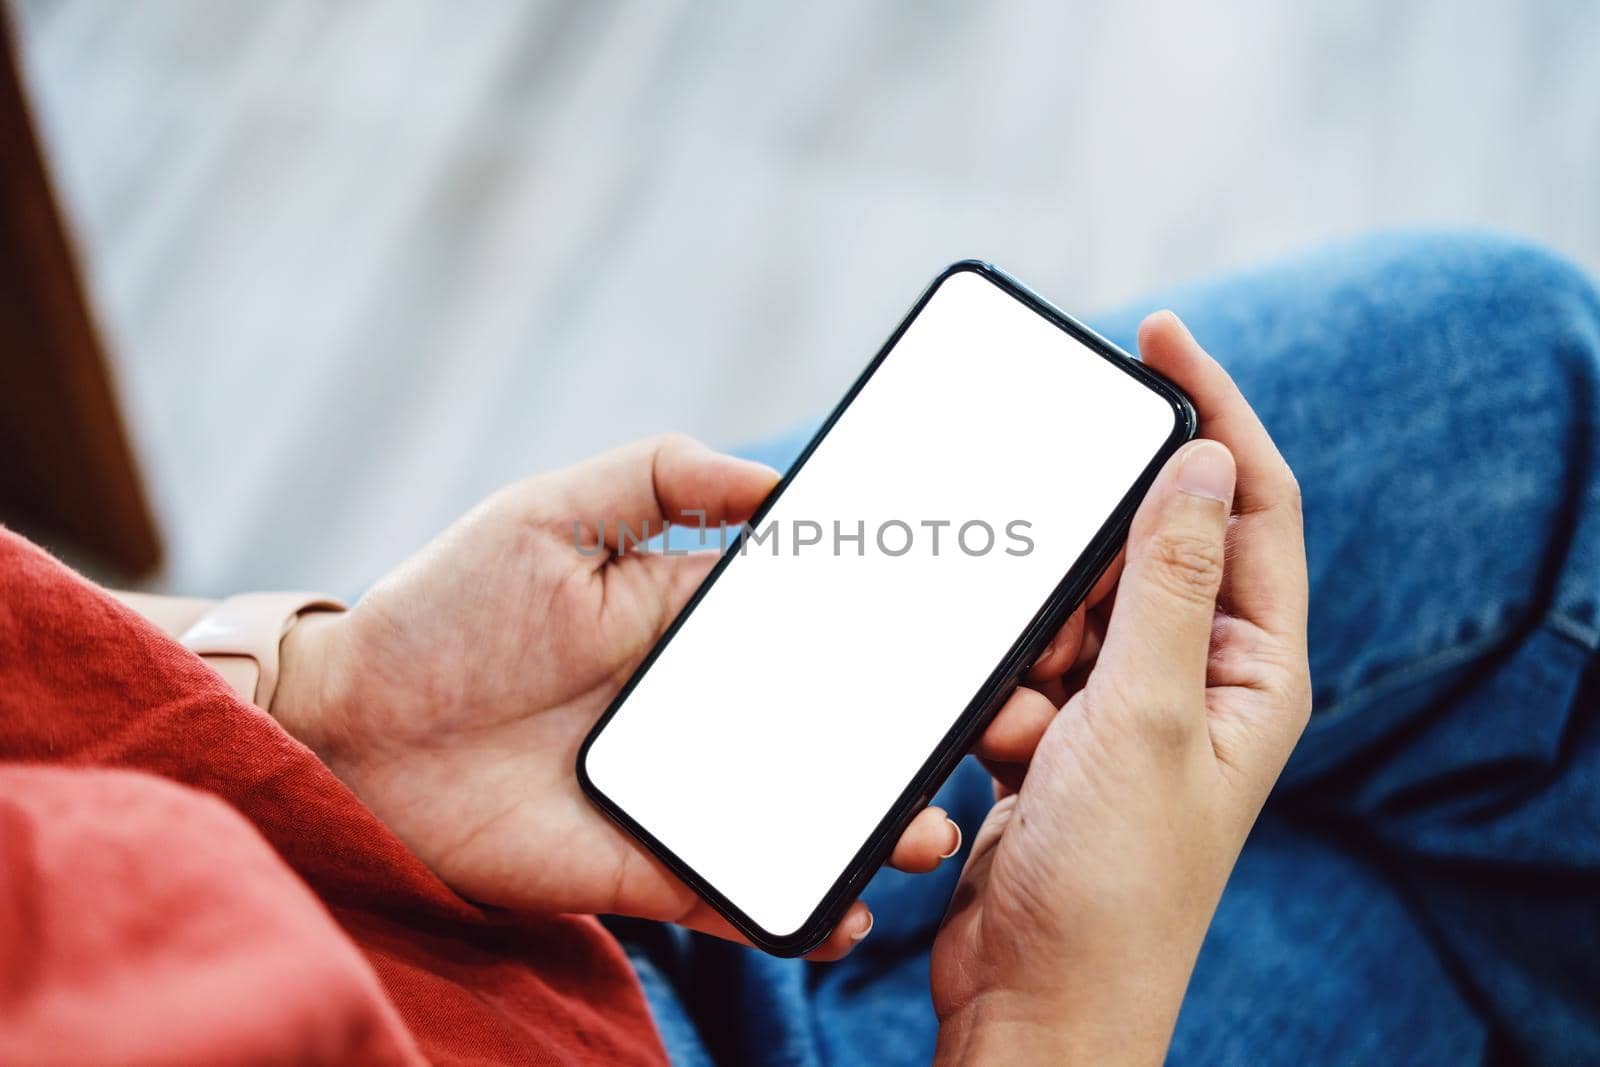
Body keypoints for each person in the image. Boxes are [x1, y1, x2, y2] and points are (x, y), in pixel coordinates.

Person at [1, 231, 1595, 1065]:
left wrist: (310, 703)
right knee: (1412, 899)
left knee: (1513, 381)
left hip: (377, 837)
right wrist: (1056, 1026)